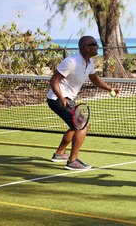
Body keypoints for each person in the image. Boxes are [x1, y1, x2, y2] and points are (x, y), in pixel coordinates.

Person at [47, 36, 120, 170]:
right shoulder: (71, 62)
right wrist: (61, 97)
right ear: (86, 48)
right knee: (82, 125)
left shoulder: (89, 62)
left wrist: (109, 88)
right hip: (58, 99)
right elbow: (54, 80)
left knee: (76, 126)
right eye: (95, 44)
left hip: (68, 99)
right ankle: (72, 161)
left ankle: (59, 154)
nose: (98, 46)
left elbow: (94, 78)